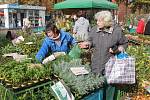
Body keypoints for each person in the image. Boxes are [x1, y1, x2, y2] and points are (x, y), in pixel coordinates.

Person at [79, 11, 128, 100]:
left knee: (109, 90)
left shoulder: (116, 31)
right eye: (97, 20)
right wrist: (87, 44)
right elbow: (90, 40)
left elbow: (124, 44)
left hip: (110, 67)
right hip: (96, 65)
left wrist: (116, 50)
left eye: (99, 21)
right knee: (97, 91)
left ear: (106, 21)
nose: (97, 22)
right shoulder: (94, 29)